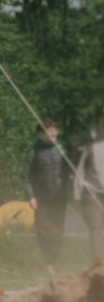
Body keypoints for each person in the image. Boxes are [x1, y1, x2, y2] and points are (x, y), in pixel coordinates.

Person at [26, 119, 73, 274]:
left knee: (58, 230)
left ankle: (54, 260)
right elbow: (25, 176)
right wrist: (31, 196)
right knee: (44, 231)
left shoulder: (62, 149)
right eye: (49, 131)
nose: (53, 134)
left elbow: (70, 171)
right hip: (41, 199)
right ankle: (48, 262)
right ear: (42, 133)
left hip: (60, 197)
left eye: (55, 130)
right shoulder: (33, 150)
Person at [75, 112, 104, 268]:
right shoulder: (87, 138)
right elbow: (77, 162)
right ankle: (99, 264)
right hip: (92, 190)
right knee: (96, 227)